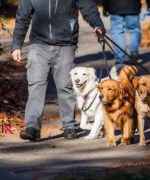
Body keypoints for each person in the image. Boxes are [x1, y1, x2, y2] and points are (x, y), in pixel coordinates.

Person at [11, 0, 105, 141]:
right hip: (39, 45)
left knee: (65, 86)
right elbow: (22, 16)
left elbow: (87, 6)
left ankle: (69, 126)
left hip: (66, 43)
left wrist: (97, 24)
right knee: (36, 85)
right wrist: (16, 44)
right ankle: (32, 127)